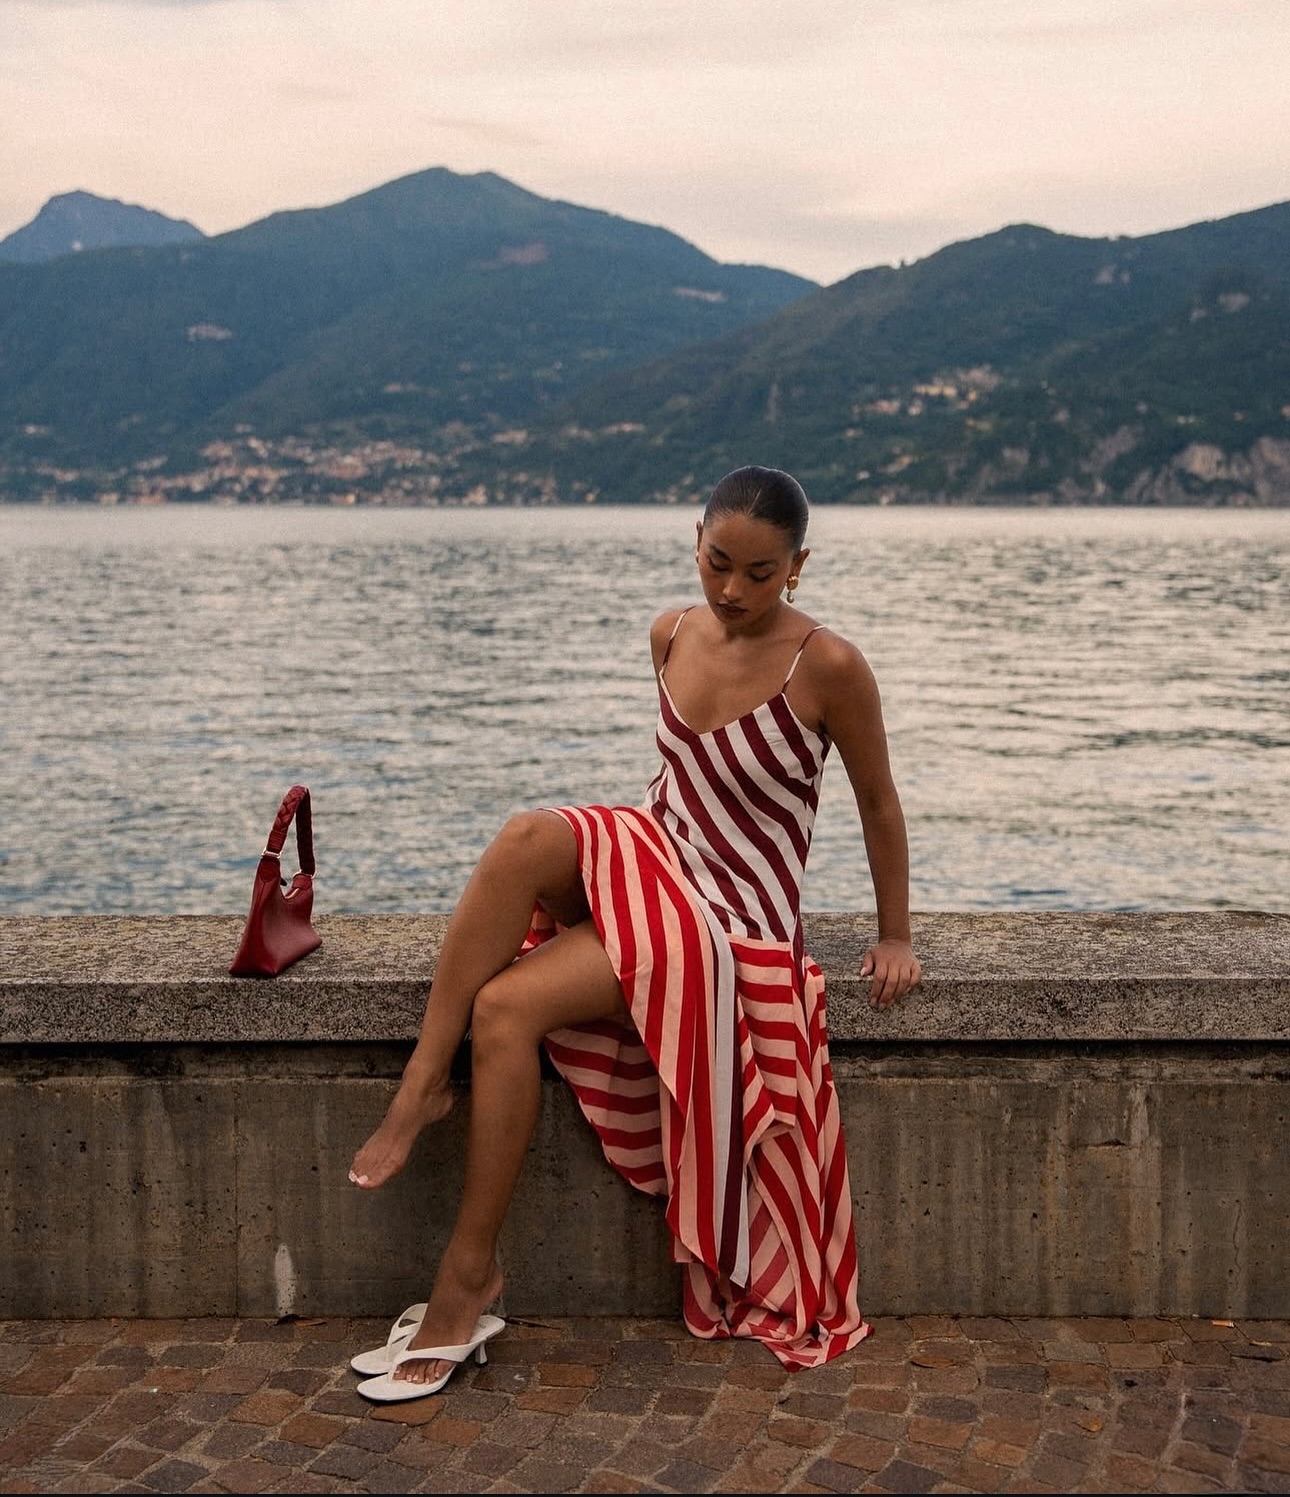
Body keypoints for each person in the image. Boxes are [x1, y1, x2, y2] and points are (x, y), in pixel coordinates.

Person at [347, 465, 922, 1399]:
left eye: (761, 573)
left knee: (505, 1011)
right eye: (717, 562)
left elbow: (879, 804)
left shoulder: (828, 666)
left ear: (799, 567)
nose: (732, 591)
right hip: (656, 858)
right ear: (694, 539)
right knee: (526, 835)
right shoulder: (669, 631)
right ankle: (421, 1084)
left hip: (734, 922)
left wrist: (895, 932)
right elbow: (681, 790)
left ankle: (465, 1280)